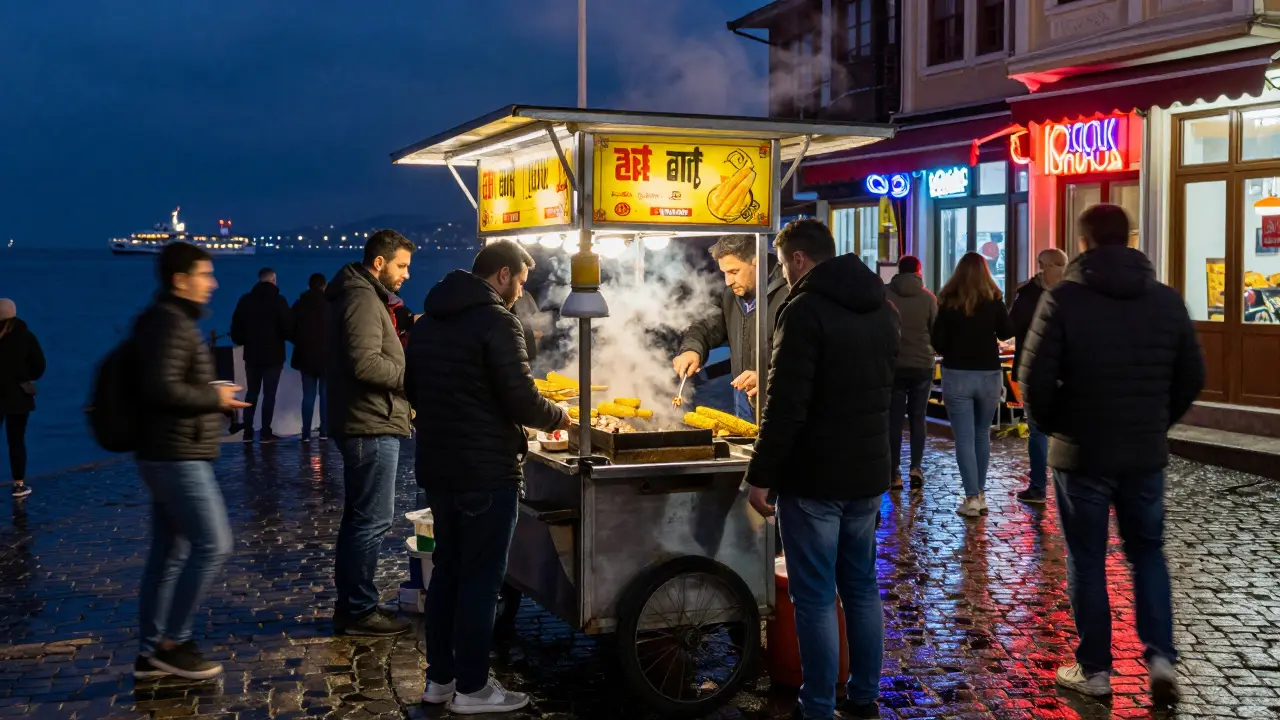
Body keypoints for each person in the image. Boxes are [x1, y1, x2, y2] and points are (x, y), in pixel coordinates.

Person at [1020, 205, 1203, 705]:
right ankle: (1161, 658)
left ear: (1083, 245)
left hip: (1082, 454)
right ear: (1129, 240)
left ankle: (1096, 669)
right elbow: (1193, 374)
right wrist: (1156, 420)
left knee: (1087, 559)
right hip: (1143, 451)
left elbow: (1032, 378)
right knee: (1147, 551)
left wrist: (1060, 426)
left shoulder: (1063, 300)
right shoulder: (1165, 300)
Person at [407, 240, 569, 715]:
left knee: (449, 574)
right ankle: (473, 689)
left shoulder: (430, 320)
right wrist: (561, 417)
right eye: (520, 281)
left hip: (439, 467)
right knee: (482, 580)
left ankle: (440, 680)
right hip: (485, 471)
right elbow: (520, 399)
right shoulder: (499, 321)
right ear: (502, 275)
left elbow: (413, 387)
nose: (521, 291)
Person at [745, 220, 898, 720]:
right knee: (860, 586)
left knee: (814, 597)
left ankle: (815, 706)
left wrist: (761, 476)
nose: (781, 274)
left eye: (782, 263)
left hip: (814, 478)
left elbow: (786, 405)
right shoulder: (881, 308)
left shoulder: (804, 310)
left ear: (797, 259)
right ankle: (864, 696)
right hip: (867, 474)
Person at [134, 242, 249, 680]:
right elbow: (160, 389)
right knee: (214, 543)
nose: (213, 282)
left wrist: (212, 399)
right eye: (204, 274)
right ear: (180, 280)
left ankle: (150, 653)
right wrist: (212, 395)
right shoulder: (169, 324)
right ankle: (174, 642)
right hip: (177, 454)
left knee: (168, 553)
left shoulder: (169, 320)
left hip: (167, 450)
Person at [327, 230, 416, 637]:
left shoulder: (364, 295)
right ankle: (359, 610)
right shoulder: (362, 298)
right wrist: (412, 380)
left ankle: (353, 604)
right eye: (401, 266)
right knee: (371, 520)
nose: (406, 275)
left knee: (361, 519)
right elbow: (363, 364)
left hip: (368, 419)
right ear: (378, 263)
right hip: (369, 422)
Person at [931, 252, 1014, 518]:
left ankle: (971, 498)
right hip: (989, 373)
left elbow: (938, 342)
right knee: (982, 435)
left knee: (964, 438)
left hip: (957, 373)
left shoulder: (948, 301)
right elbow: (1006, 332)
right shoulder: (994, 300)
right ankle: (981, 494)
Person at [674, 235, 789, 421]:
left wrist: (767, 377)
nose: (727, 281)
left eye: (734, 272)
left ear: (756, 261)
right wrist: (691, 349)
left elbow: (803, 359)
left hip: (780, 404)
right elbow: (706, 326)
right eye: (724, 273)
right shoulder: (731, 295)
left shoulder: (789, 296)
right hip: (743, 399)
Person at [1009, 248, 1068, 504]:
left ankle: (1040, 487)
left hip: (1044, 368)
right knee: (1044, 430)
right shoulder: (1072, 293)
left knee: (1042, 430)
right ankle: (1044, 487)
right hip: (1051, 368)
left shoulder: (1029, 294)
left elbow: (1011, 327)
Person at [885, 256, 936, 490]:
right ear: (918, 271)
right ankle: (916, 467)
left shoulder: (886, 295)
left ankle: (893, 472)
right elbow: (935, 331)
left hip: (894, 364)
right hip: (922, 364)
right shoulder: (928, 298)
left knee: (894, 419)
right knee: (918, 417)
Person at [229, 267, 292, 443]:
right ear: (273, 280)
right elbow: (288, 328)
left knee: (252, 394)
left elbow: (236, 329)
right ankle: (265, 432)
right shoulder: (279, 301)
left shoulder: (246, 301)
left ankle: (248, 432)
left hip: (252, 355)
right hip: (274, 355)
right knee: (269, 395)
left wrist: (244, 340)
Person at [0, 299, 45, 499]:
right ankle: (18, 485)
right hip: (18, 395)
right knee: (16, 441)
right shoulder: (26, 336)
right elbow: (40, 365)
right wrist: (25, 376)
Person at [291, 273, 329, 441]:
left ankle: (306, 433)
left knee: (308, 395)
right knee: (325, 395)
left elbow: (289, 327)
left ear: (309, 285)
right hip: (326, 356)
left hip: (305, 355)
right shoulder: (330, 304)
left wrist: (299, 341)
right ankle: (325, 431)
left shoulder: (300, 304)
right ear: (324, 286)